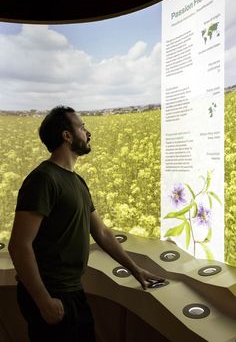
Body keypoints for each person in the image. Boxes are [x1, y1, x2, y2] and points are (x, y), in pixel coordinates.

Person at [8, 106, 165, 342]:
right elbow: (19, 245)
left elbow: (101, 232)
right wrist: (43, 300)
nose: (88, 132)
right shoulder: (43, 179)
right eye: (82, 127)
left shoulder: (77, 181)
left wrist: (135, 269)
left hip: (71, 290)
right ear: (67, 135)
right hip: (52, 292)